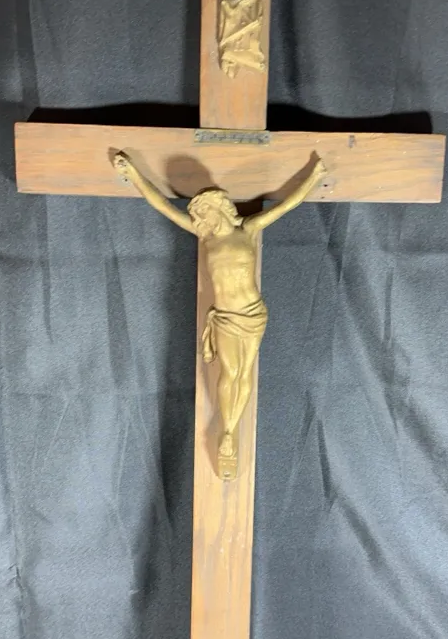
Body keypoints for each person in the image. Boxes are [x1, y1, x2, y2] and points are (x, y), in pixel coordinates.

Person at [112, 150, 327, 479]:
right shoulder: (205, 238)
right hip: (226, 316)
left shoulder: (249, 229)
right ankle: (228, 432)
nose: (201, 218)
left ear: (218, 207)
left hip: (253, 313)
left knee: (245, 374)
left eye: (203, 211)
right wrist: (133, 174)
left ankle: (232, 429)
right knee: (231, 372)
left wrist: (314, 176)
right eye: (198, 214)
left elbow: (287, 205)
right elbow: (162, 206)